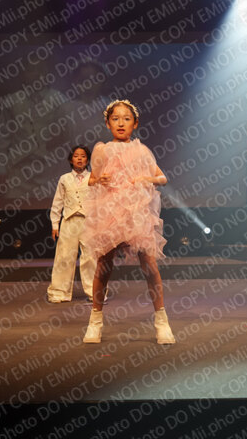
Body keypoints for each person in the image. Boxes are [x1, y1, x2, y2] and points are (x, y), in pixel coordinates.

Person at [81, 100, 175, 344]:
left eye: (126, 119)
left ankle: (161, 321)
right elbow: (91, 179)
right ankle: (95, 321)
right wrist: (99, 180)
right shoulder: (102, 150)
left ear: (135, 123)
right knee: (103, 265)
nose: (120, 123)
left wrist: (145, 179)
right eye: (115, 119)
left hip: (135, 212)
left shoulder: (141, 150)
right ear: (107, 123)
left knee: (149, 264)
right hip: (110, 210)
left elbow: (162, 178)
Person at [47, 145, 96, 303]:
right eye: (76, 156)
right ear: (70, 159)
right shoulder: (64, 178)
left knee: (91, 258)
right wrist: (55, 224)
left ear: (87, 160)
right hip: (69, 221)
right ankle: (59, 291)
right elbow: (57, 202)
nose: (79, 159)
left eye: (83, 156)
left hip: (89, 221)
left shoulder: (93, 177)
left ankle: (95, 291)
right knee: (64, 257)